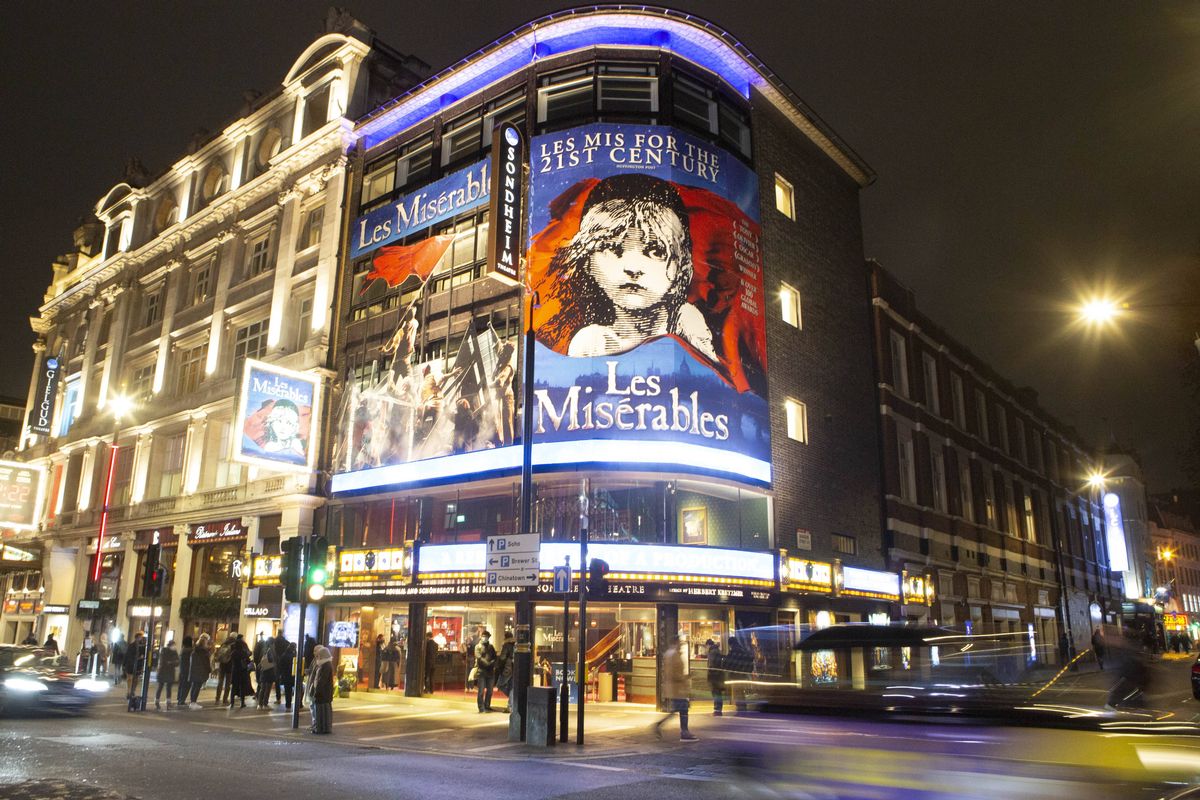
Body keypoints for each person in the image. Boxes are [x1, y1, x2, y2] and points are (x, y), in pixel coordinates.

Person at [542, 173, 716, 362]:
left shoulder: (691, 327)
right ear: (588, 261)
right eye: (612, 247)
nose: (633, 268)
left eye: (656, 251)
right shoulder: (593, 341)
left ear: (681, 266)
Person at [653, 635, 698, 741]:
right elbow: (674, 674)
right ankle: (684, 732)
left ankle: (659, 725)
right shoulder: (674, 655)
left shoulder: (670, 653)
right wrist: (688, 676)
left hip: (674, 688)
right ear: (676, 642)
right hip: (677, 688)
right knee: (683, 709)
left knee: (677, 710)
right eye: (679, 642)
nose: (680, 644)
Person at [307, 645, 335, 734]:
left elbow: (322, 680)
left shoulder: (325, 665)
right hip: (323, 693)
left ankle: (321, 728)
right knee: (321, 711)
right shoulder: (323, 664)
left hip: (323, 693)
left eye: (319, 655)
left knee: (321, 712)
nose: (317, 657)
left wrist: (317, 690)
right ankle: (321, 728)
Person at [473, 629, 497, 713]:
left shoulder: (491, 646)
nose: (485, 638)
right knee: (481, 691)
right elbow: (478, 657)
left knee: (490, 690)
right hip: (481, 670)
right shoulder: (478, 646)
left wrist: (492, 663)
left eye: (486, 637)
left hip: (490, 671)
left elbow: (495, 656)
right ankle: (481, 707)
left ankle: (487, 705)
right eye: (484, 636)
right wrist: (487, 663)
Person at [229, 634, 254, 709]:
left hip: (235, 671)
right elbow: (248, 661)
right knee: (242, 687)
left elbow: (231, 661)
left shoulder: (233, 653)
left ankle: (232, 703)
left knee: (234, 687)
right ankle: (242, 702)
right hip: (243, 671)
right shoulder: (243, 653)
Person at [123, 631, 147, 710]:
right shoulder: (131, 645)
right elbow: (128, 655)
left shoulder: (142, 646)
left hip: (138, 665)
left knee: (136, 679)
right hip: (130, 665)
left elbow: (144, 655)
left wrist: (141, 658)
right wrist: (125, 664)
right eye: (140, 637)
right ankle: (129, 692)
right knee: (130, 679)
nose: (141, 639)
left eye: (141, 637)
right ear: (137, 638)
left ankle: (132, 691)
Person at [188, 633, 212, 709]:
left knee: (194, 686)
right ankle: (193, 702)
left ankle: (192, 702)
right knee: (197, 687)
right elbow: (206, 663)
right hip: (201, 671)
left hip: (194, 671)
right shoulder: (204, 652)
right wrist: (209, 670)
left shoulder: (194, 650)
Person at [155, 639, 179, 710]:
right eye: (173, 645)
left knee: (168, 688)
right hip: (164, 671)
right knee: (160, 687)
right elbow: (165, 661)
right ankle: (157, 701)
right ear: (170, 645)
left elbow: (177, 662)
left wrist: (171, 662)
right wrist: (172, 662)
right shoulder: (164, 651)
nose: (174, 647)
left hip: (169, 671)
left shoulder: (174, 652)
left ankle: (168, 702)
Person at [256, 635, 278, 709]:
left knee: (263, 688)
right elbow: (272, 660)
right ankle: (265, 703)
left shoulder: (264, 649)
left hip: (263, 670)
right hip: (269, 671)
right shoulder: (271, 650)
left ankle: (260, 704)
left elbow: (260, 658)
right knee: (267, 688)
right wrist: (274, 664)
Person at [495, 631, 515, 712]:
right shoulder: (515, 645)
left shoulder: (506, 645)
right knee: (511, 687)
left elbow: (502, 658)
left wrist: (498, 665)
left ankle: (511, 703)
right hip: (514, 669)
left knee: (500, 685)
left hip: (507, 669)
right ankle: (510, 705)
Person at [214, 632, 236, 705]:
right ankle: (225, 699)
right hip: (230, 666)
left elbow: (218, 654)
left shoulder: (224, 643)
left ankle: (217, 698)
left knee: (220, 682)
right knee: (228, 683)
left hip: (222, 665)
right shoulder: (234, 645)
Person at [705, 639, 726, 716]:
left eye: (706, 646)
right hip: (718, 675)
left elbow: (711, 665)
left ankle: (717, 710)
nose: (706, 648)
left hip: (714, 676)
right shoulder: (716, 650)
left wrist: (710, 675)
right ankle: (718, 709)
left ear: (708, 645)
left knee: (716, 693)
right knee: (718, 693)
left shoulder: (712, 652)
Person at [275, 636, 295, 710]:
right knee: (298, 690)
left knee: (288, 691)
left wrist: (280, 674)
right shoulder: (294, 656)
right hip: (293, 675)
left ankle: (288, 704)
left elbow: (280, 666)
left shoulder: (284, 655)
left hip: (286, 676)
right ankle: (298, 704)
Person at [176, 636, 194, 707]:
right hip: (188, 670)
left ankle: (179, 699)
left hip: (182, 669)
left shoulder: (183, 649)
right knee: (186, 686)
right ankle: (182, 700)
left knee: (181, 685)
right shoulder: (190, 650)